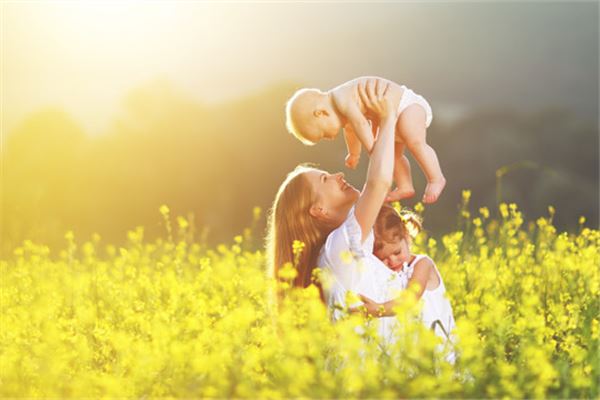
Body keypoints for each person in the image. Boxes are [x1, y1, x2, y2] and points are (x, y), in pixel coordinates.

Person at [266, 79, 403, 343]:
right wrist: (387, 118)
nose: (339, 174)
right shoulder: (338, 246)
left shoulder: (351, 247)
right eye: (325, 180)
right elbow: (379, 182)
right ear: (318, 210)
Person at [285, 76, 445, 204]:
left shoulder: (341, 98)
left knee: (415, 142)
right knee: (395, 155)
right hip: (390, 116)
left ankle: (436, 179)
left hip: (407, 105)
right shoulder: (343, 111)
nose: (331, 138)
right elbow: (352, 130)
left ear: (320, 113)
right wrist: (354, 154)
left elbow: (361, 124)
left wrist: (374, 152)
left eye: (324, 134)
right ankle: (405, 185)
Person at [369, 204, 457, 346]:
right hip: (414, 351)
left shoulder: (423, 264)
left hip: (439, 345)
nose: (392, 261)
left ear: (407, 237)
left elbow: (409, 300)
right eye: (383, 259)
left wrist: (377, 310)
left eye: (397, 252)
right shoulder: (387, 275)